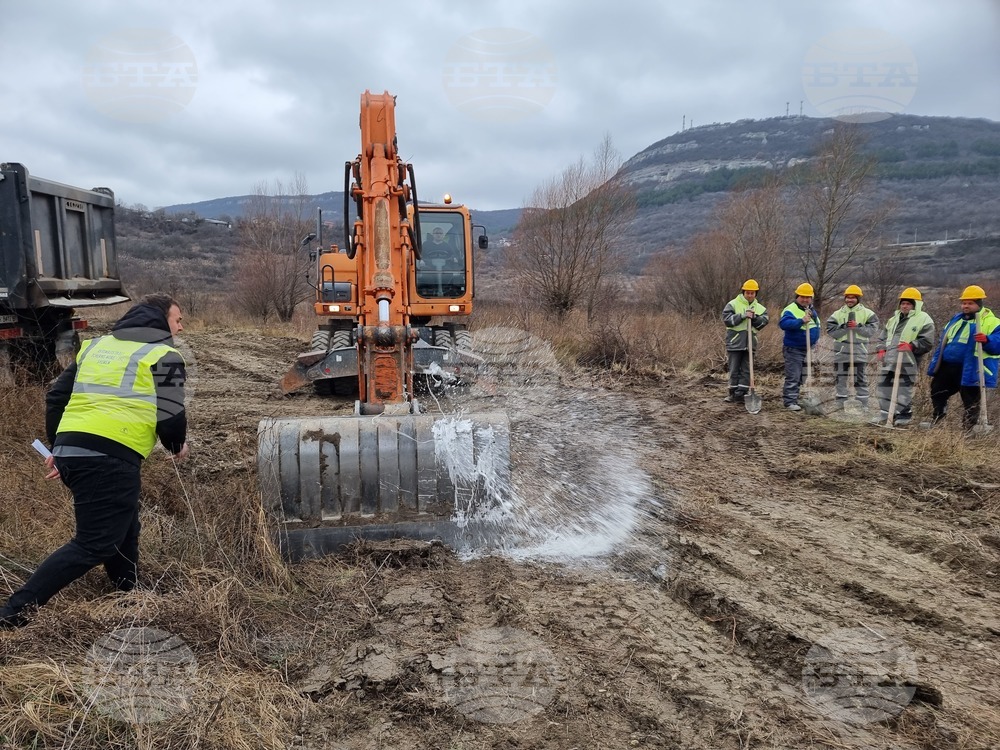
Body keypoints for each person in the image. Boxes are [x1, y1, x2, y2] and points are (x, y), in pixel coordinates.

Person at [0, 293, 189, 629]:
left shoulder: (96, 346)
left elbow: (56, 396)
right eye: (177, 319)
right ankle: (12, 614)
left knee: (125, 525)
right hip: (110, 457)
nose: (180, 325)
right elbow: (171, 413)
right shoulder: (165, 355)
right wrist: (176, 445)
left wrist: (59, 448)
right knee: (94, 543)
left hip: (75, 450)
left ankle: (127, 593)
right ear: (160, 321)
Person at [926, 285, 1000, 429]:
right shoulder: (956, 320)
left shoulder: (992, 322)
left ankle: (969, 429)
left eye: (970, 303)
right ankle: (938, 419)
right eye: (964, 303)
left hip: (972, 367)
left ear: (979, 304)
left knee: (970, 400)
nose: (966, 306)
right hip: (948, 366)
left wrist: (987, 340)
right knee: (937, 391)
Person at [872, 287, 935, 427]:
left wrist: (912, 346)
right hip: (890, 359)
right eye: (903, 303)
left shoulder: (924, 319)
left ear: (915, 305)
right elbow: (883, 337)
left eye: (908, 303)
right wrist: (881, 349)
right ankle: (885, 413)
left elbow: (927, 342)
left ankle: (903, 416)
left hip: (908, 361)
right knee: (883, 386)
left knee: (903, 388)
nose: (905, 306)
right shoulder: (893, 319)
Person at [825, 284, 880, 409]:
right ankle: (841, 403)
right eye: (848, 297)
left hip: (859, 351)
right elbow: (831, 331)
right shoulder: (837, 314)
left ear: (858, 299)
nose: (850, 300)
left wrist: (857, 327)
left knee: (860, 379)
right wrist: (844, 327)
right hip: (841, 351)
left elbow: (871, 331)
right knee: (840, 378)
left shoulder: (868, 314)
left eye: (853, 298)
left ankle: (862, 404)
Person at [720, 279, 769, 403]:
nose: (750, 295)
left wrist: (754, 318)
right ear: (743, 292)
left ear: (756, 294)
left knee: (747, 369)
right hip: (735, 342)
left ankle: (742, 393)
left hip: (750, 343)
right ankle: (732, 393)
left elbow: (763, 323)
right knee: (734, 368)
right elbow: (727, 320)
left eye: (752, 293)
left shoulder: (760, 308)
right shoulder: (733, 304)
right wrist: (742, 316)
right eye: (748, 293)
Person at [779, 282, 820, 411]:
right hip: (794, 348)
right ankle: (790, 401)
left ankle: (798, 398)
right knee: (794, 375)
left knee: (803, 375)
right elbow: (784, 324)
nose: (805, 299)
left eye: (808, 297)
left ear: (811, 298)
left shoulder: (811, 310)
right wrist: (801, 321)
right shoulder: (790, 309)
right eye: (802, 296)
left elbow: (816, 326)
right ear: (797, 296)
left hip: (808, 348)